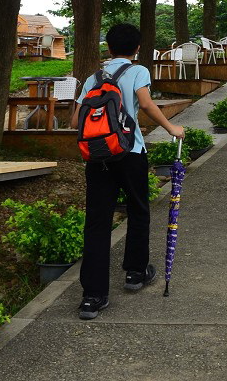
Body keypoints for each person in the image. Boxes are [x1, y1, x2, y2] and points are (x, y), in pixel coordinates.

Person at [71, 23, 184, 319]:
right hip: (130, 153)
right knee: (138, 210)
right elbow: (145, 104)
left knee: (97, 223)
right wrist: (172, 128)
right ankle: (135, 273)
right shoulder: (138, 71)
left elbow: (74, 121)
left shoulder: (92, 78)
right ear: (136, 48)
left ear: (108, 48)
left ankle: (92, 296)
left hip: (97, 158)